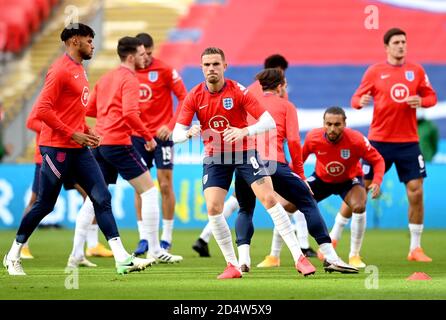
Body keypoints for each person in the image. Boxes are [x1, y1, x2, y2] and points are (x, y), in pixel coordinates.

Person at [3, 23, 154, 276]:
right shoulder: (59, 70)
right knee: (45, 204)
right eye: (89, 39)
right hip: (55, 148)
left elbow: (73, 111)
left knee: (102, 197)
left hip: (79, 148)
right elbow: (42, 111)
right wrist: (72, 132)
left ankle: (122, 259)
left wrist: (87, 129)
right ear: (74, 41)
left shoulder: (80, 70)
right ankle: (13, 253)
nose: (93, 44)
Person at [173, 47, 317, 279]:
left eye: (216, 64)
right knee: (213, 207)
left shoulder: (238, 91)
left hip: (244, 152)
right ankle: (232, 265)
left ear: (224, 66)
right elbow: (175, 135)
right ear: (201, 68)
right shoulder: (194, 96)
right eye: (207, 65)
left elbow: (268, 121)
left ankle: (299, 258)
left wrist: (243, 132)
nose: (211, 68)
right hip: (216, 157)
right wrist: (189, 133)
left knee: (269, 199)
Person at [219, 70, 359, 274]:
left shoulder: (248, 105)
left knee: (245, 209)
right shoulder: (286, 106)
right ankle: (331, 257)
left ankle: (244, 260)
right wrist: (301, 175)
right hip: (273, 163)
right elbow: (293, 141)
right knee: (307, 202)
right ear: (280, 86)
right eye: (284, 84)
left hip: (246, 162)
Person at [69, 36, 182, 265]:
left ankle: (76, 254)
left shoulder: (107, 78)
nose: (146, 57)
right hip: (118, 143)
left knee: (94, 198)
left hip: (99, 143)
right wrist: (149, 137)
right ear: (131, 56)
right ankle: (154, 250)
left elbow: (88, 109)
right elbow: (130, 114)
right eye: (142, 54)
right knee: (150, 191)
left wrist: (96, 128)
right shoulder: (129, 79)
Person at [337, 28, 437, 262]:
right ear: (387, 47)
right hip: (379, 141)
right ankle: (335, 234)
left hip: (409, 142)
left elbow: (431, 97)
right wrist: (360, 102)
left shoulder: (417, 70)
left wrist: (421, 100)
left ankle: (415, 248)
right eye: (396, 42)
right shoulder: (375, 71)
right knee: (360, 189)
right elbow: (355, 99)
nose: (401, 45)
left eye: (404, 41)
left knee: (416, 190)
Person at [24, 103, 113, 262]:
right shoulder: (48, 100)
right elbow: (31, 122)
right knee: (37, 201)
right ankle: (23, 245)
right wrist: (57, 128)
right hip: (49, 156)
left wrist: (74, 130)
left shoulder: (70, 101)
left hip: (72, 154)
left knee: (90, 195)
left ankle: (90, 245)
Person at [132, 33, 187, 256]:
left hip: (161, 136)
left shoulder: (164, 70)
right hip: (136, 136)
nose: (146, 58)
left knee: (165, 185)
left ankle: (166, 238)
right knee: (140, 185)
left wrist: (171, 125)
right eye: (142, 54)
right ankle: (144, 237)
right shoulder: (128, 72)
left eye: (149, 54)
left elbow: (184, 97)